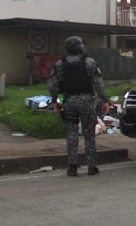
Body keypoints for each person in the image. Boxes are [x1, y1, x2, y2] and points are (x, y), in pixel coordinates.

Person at [48, 36, 111, 177]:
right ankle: (91, 166)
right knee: (89, 133)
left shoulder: (59, 64)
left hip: (69, 100)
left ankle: (72, 167)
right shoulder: (89, 62)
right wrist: (105, 100)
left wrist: (55, 101)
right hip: (86, 100)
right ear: (81, 47)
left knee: (71, 133)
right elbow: (98, 84)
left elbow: (53, 85)